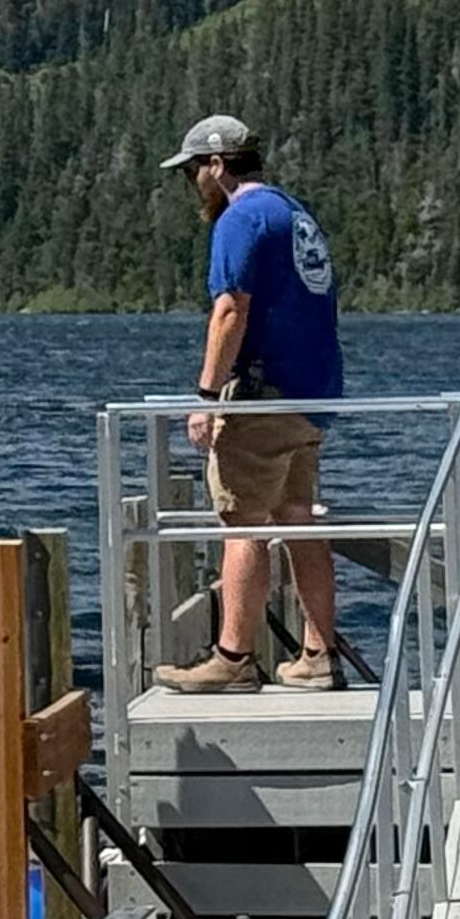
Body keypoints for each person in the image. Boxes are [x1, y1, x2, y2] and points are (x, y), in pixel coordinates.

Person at [153, 113, 344, 694]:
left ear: (216, 165)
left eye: (192, 172)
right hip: (312, 396)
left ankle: (233, 658)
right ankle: (319, 654)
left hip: (263, 397)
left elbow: (230, 310)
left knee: (242, 523)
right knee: (299, 519)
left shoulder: (239, 219)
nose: (193, 185)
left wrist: (208, 398)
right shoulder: (294, 214)